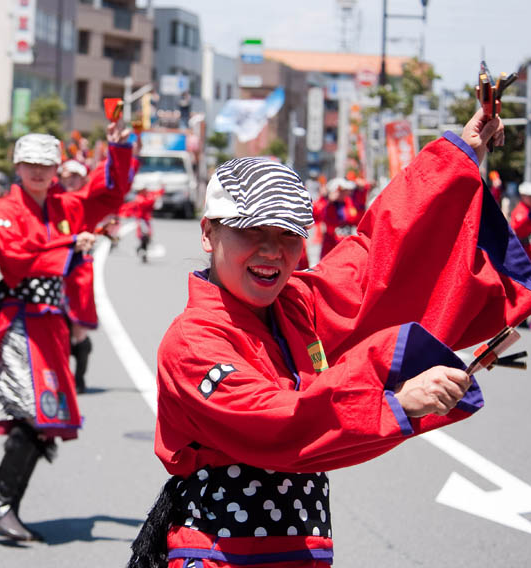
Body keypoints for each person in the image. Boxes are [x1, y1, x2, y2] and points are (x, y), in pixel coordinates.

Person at [128, 109, 531, 568]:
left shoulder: (296, 302)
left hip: (302, 552)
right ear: (208, 233)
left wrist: (457, 157)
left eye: (288, 234)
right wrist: (397, 399)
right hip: (219, 556)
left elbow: (376, 252)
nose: (272, 250)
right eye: (250, 231)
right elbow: (278, 418)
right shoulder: (192, 342)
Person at [0, 121, 133, 542]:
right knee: (32, 413)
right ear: (16, 166)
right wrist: (69, 247)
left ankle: (2, 501)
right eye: (30, 163)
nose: (38, 172)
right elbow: (14, 259)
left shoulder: (64, 206)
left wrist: (119, 146)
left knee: (43, 418)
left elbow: (108, 194)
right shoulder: (5, 210)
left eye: (46, 165)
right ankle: (0, 500)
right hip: (21, 324)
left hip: (52, 327)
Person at [59, 159, 98, 393]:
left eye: (76, 176)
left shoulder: (87, 199)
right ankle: (61, 377)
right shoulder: (51, 199)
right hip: (53, 266)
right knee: (57, 326)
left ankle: (80, 377)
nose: (71, 180)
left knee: (78, 327)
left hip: (79, 266)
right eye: (67, 176)